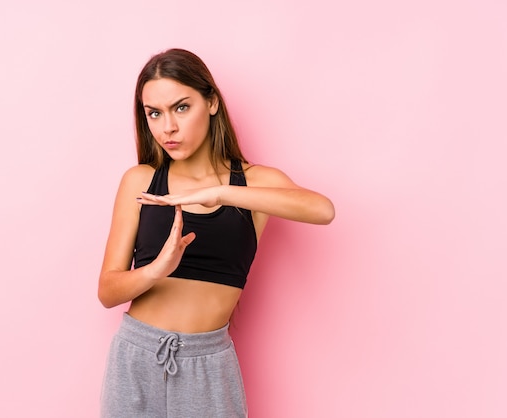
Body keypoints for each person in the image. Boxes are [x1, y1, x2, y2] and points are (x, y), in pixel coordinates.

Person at [98, 48, 334, 417]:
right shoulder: (141, 182)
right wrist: (157, 268)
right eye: (154, 114)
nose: (167, 128)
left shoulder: (254, 183)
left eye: (181, 107)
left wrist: (220, 192)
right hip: (136, 356)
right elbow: (107, 292)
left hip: (207, 363)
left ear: (211, 102)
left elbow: (322, 210)